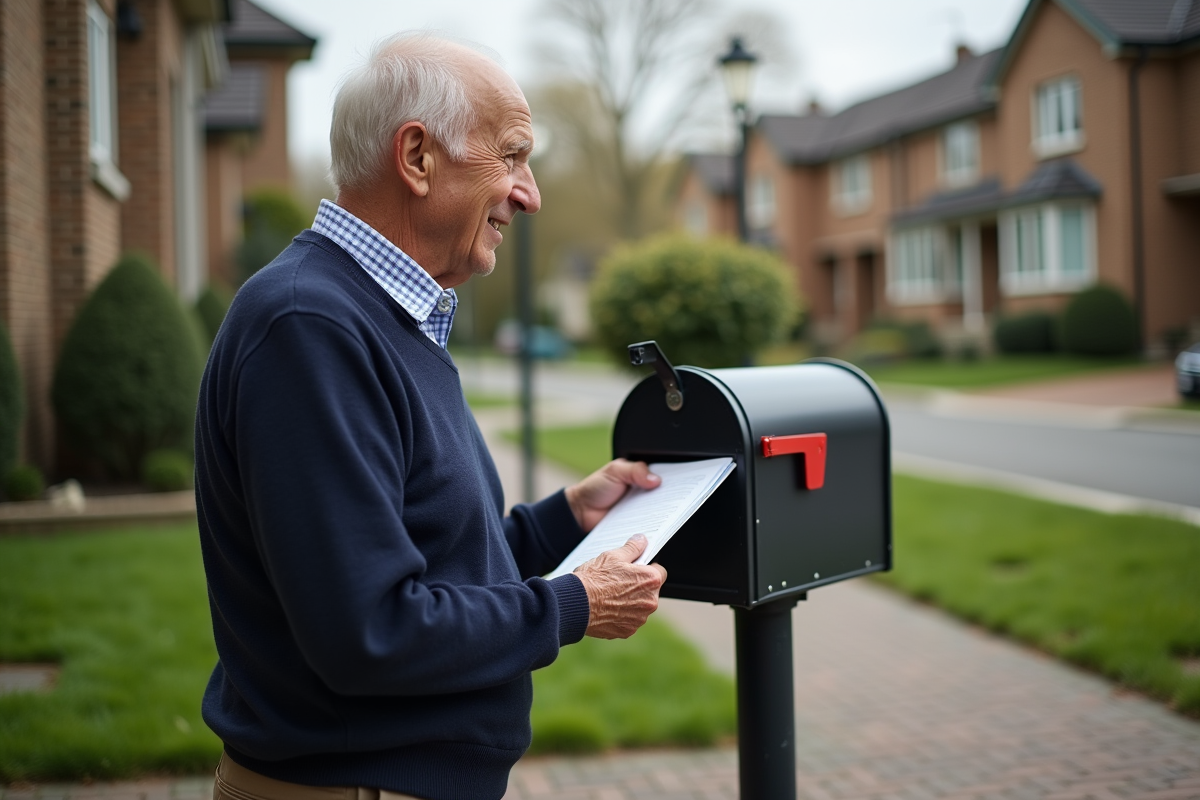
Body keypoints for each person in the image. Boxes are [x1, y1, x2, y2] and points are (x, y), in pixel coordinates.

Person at [194, 32, 668, 800]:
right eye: (512, 156)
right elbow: (371, 632)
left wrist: (563, 522)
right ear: (416, 157)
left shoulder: (380, 316)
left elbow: (426, 561)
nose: (531, 192)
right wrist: (573, 605)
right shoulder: (309, 328)